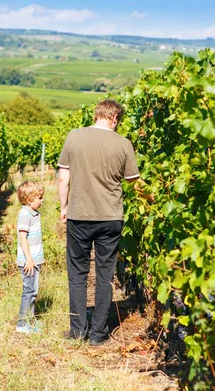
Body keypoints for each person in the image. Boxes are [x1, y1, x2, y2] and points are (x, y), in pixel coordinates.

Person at [57, 99, 141, 346]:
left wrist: (64, 207)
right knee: (104, 275)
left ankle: (77, 330)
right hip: (111, 218)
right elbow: (134, 182)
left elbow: (64, 178)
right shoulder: (124, 144)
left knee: (77, 274)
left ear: (97, 115)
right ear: (114, 117)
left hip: (80, 215)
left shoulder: (74, 136)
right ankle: (98, 334)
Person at [15, 180, 45, 334]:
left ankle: (29, 321)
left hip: (33, 260)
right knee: (29, 291)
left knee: (33, 291)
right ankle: (22, 324)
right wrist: (29, 260)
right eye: (39, 197)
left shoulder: (33, 213)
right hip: (29, 262)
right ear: (29, 199)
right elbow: (22, 238)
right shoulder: (25, 214)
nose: (42, 200)